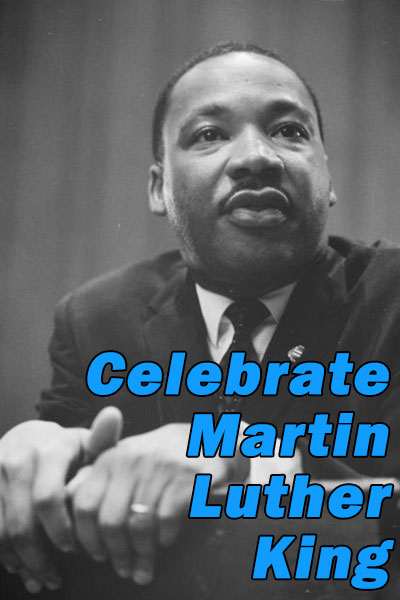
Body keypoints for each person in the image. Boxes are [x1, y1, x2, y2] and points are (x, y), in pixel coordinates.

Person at [1, 42, 400, 595]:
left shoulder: (393, 296)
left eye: (290, 130)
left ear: (328, 179)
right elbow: (60, 487)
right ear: (158, 188)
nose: (257, 156)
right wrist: (32, 455)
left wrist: (235, 465)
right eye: (209, 134)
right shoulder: (96, 318)